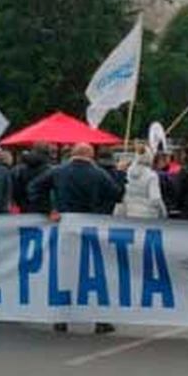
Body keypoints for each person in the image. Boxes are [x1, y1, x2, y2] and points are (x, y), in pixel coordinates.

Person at [29, 142, 123, 333]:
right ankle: (99, 320)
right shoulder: (99, 174)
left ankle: (61, 318)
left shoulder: (58, 171)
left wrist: (49, 210)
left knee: (65, 272)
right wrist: (102, 210)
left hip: (65, 225)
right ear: (90, 155)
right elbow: (116, 194)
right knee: (94, 274)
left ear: (72, 154)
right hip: (91, 226)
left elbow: (34, 188)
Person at [117, 150, 168, 219]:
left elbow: (125, 194)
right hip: (148, 215)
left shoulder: (128, 173)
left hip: (130, 213)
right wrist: (163, 213)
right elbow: (155, 199)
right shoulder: (151, 176)